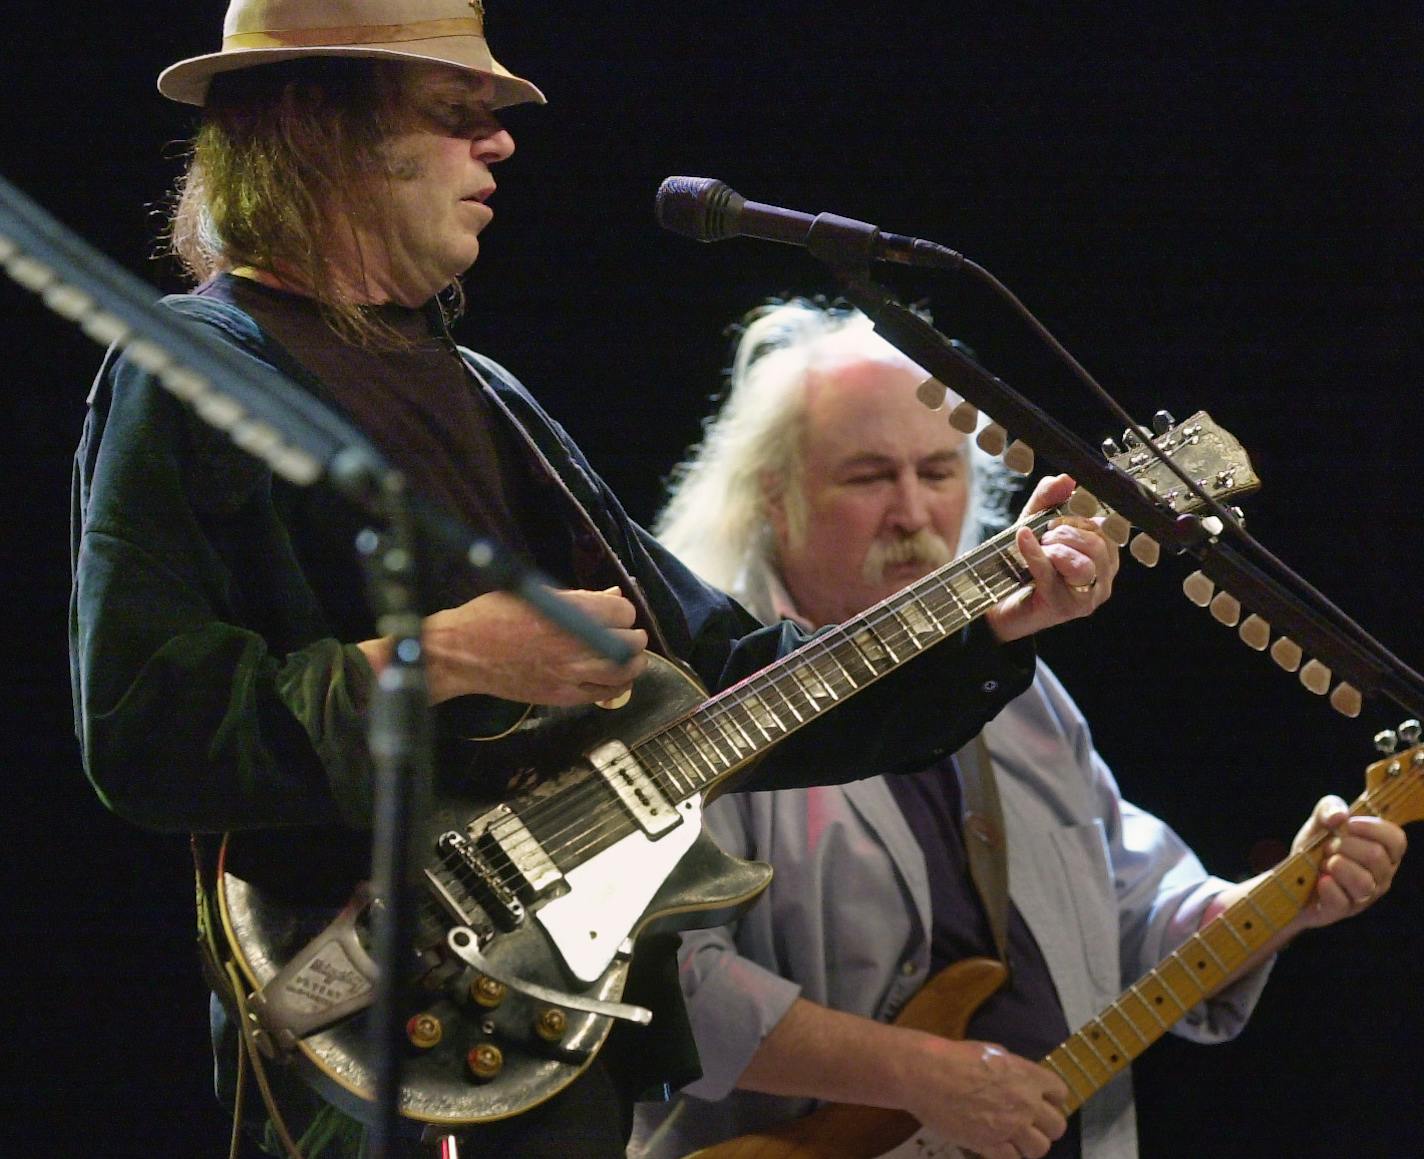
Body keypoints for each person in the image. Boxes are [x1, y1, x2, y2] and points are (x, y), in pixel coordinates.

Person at [67, 6, 1124, 1157]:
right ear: (323, 124)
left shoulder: (486, 394)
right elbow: (145, 724)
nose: (502, 145)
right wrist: (453, 656)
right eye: (457, 115)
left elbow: (718, 679)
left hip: (556, 1040)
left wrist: (991, 617)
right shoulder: (192, 368)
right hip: (365, 1032)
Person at [630, 299, 1407, 1159]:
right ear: (774, 499)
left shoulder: (1021, 695)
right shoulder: (710, 704)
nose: (913, 512)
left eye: (937, 470)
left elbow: (1137, 910)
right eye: (867, 476)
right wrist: (915, 1074)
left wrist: (1285, 897)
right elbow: (662, 979)